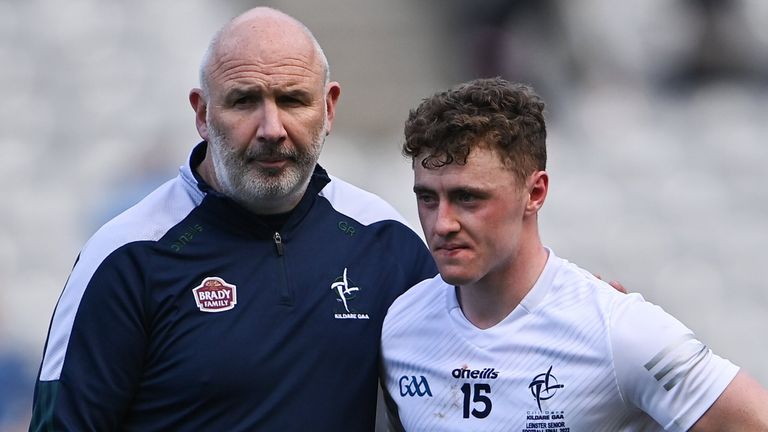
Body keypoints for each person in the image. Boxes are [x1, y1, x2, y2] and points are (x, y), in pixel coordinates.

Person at [29, 7, 437, 431]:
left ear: (329, 108)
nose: (271, 128)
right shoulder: (128, 255)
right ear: (202, 114)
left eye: (293, 100)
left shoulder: (385, 241)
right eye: (244, 101)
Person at [380, 77, 768, 431]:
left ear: (535, 194)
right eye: (428, 198)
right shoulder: (401, 326)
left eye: (468, 198)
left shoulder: (618, 330)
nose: (442, 222)